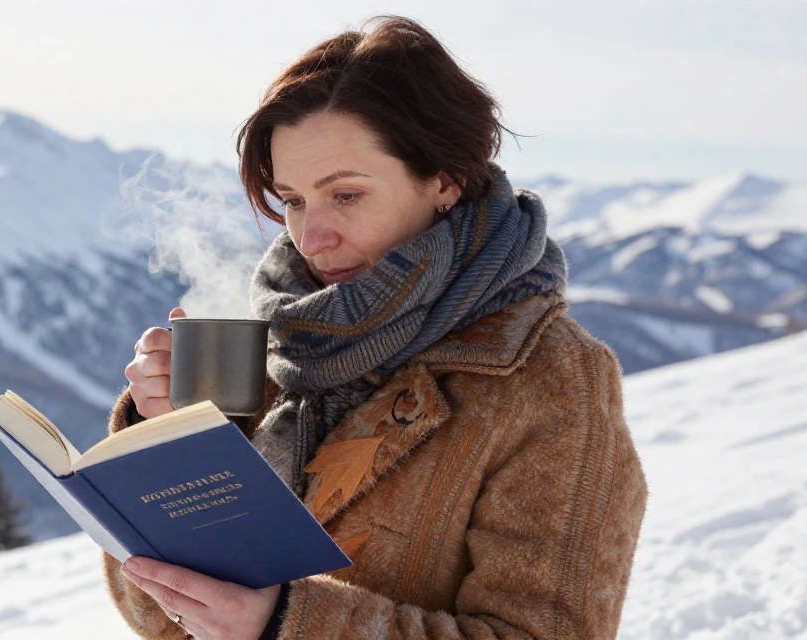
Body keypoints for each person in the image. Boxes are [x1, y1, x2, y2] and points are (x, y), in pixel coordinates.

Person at [102, 14, 647, 640]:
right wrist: (163, 440)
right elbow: (164, 615)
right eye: (294, 199)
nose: (310, 236)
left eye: (347, 195)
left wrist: (286, 623)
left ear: (445, 178)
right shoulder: (284, 345)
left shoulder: (547, 379)